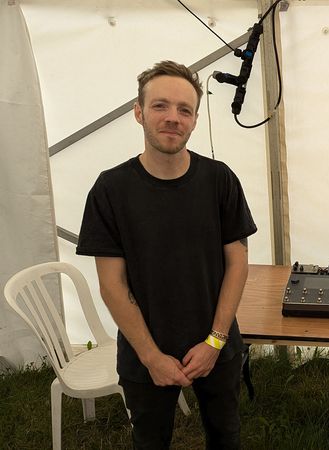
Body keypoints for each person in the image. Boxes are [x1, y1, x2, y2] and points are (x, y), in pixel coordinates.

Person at [76, 60, 256, 449]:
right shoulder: (110, 190)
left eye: (184, 110)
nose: (173, 118)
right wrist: (151, 356)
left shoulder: (219, 179)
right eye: (160, 106)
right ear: (138, 113)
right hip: (145, 354)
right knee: (150, 442)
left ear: (194, 121)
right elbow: (112, 284)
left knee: (226, 437)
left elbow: (237, 262)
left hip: (217, 347)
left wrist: (214, 342)